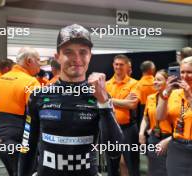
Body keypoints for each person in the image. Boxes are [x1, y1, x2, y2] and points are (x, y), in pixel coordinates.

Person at [18, 24, 123, 176]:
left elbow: (115, 151)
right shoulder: (38, 96)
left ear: (90, 56)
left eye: (83, 52)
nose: (77, 59)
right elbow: (27, 147)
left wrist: (104, 102)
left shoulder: (100, 96)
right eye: (68, 52)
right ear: (57, 57)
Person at [0, 47, 41, 176]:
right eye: (38, 60)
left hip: (1, 137)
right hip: (21, 138)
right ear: (29, 61)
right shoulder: (31, 82)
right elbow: (37, 114)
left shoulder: (1, 79)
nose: (40, 64)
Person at [156, 56, 192, 176]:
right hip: (178, 147)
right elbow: (160, 117)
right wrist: (166, 93)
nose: (185, 76)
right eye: (182, 72)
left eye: (189, 72)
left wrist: (189, 97)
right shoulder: (175, 94)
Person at [105, 54, 139, 176]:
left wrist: (109, 100)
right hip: (111, 129)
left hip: (128, 129)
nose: (118, 67)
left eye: (121, 64)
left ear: (127, 66)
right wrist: (124, 101)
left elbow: (132, 105)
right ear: (113, 65)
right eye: (116, 64)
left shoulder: (134, 84)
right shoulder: (107, 84)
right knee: (112, 164)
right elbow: (102, 103)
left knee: (132, 163)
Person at [139, 69, 172, 176]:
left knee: (168, 170)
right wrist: (141, 132)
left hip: (170, 139)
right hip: (154, 138)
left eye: (159, 80)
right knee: (153, 171)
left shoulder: (175, 97)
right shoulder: (151, 98)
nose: (155, 82)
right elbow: (145, 117)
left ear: (167, 82)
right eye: (155, 79)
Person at [132, 60, 157, 128]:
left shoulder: (137, 84)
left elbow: (133, 102)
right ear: (152, 69)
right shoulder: (158, 83)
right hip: (157, 112)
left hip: (143, 114)